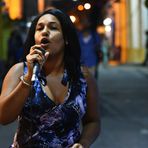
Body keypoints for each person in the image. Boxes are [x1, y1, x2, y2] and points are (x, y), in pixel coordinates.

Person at [0, 9, 100, 148]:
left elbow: (93, 121)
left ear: (66, 38)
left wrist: (83, 143)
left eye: (53, 28)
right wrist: (28, 77)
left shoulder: (83, 77)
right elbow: (4, 118)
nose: (45, 31)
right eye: (39, 28)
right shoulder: (19, 71)